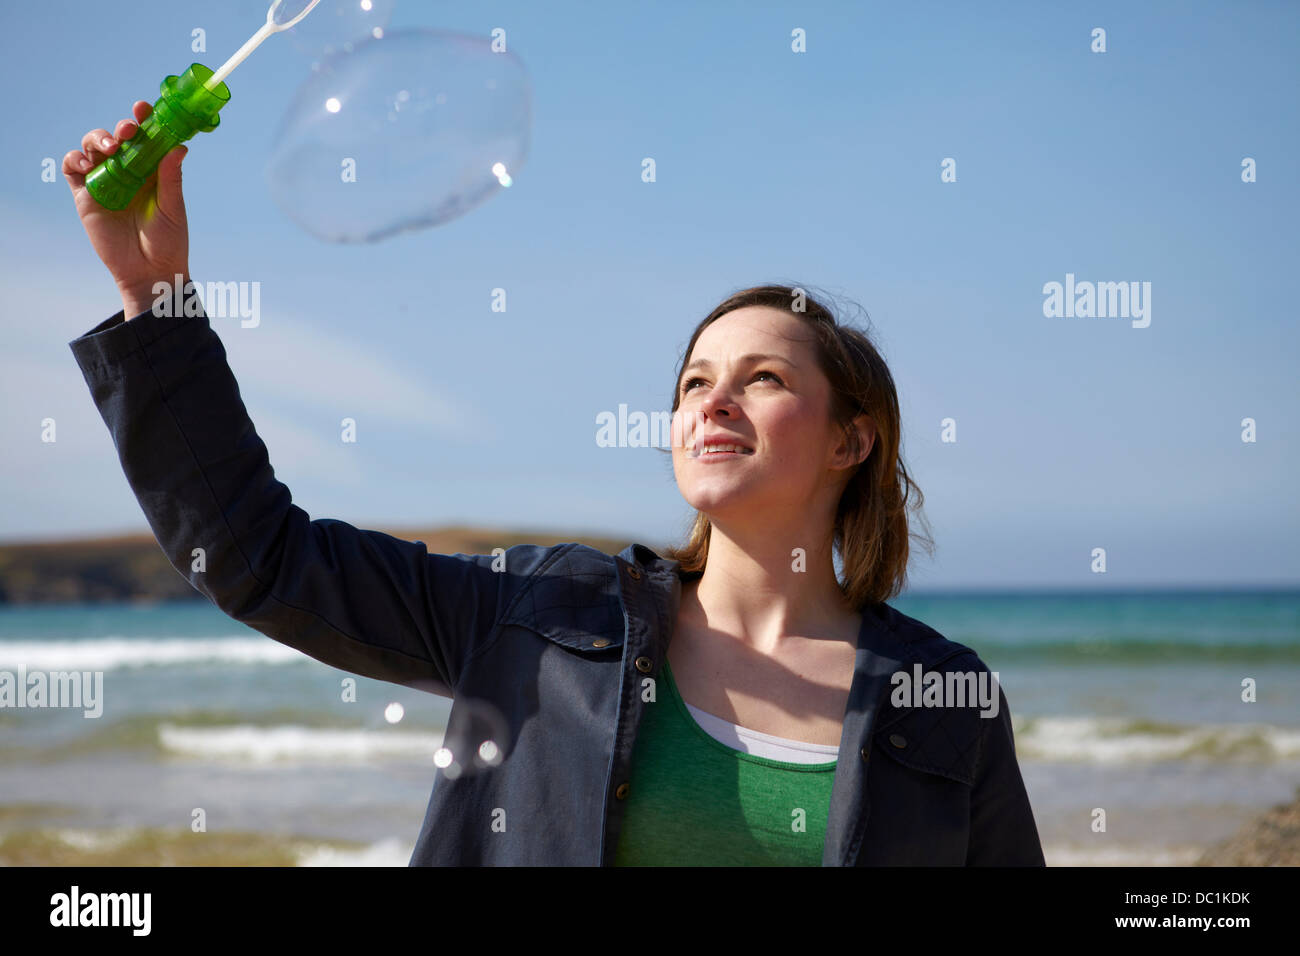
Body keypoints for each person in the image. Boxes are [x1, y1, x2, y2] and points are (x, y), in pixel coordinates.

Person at [63, 101, 1046, 866]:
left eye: (765, 379)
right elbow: (258, 557)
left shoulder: (944, 699)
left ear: (851, 440)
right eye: (694, 381)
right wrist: (157, 299)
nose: (713, 403)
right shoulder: (535, 613)